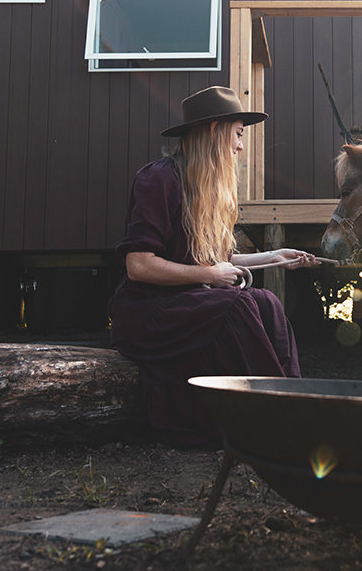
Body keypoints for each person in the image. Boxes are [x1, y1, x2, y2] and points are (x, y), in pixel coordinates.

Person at [109, 86, 318, 447]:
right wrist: (209, 275)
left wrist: (273, 257)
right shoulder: (159, 179)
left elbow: (217, 260)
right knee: (236, 305)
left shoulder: (208, 188)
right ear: (214, 129)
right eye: (237, 133)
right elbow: (139, 266)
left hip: (193, 305)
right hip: (148, 313)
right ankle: (269, 420)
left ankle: (292, 404)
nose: (240, 145)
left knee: (266, 301)